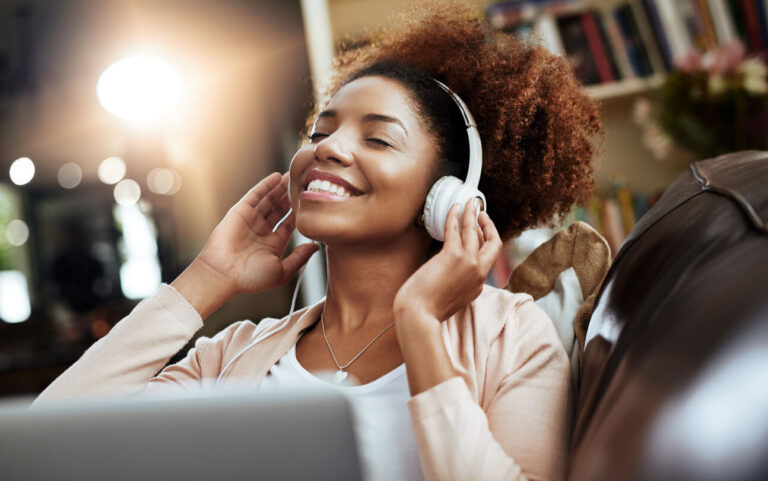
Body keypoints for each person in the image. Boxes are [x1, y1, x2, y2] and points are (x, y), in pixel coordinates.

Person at [34, 2, 600, 480]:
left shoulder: (512, 333)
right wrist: (206, 280)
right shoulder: (234, 354)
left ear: (447, 194)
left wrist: (421, 323)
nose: (326, 149)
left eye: (378, 138)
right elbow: (47, 447)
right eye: (319, 132)